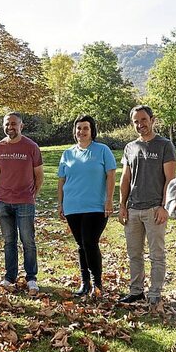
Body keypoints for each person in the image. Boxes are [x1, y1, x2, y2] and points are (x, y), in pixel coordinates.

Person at [117, 105, 176, 310]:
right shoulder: (130, 147)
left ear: (152, 119)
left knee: (156, 255)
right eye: (136, 121)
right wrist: (122, 205)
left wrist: (164, 206)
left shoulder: (165, 145)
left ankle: (155, 294)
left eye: (143, 120)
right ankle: (136, 291)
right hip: (133, 208)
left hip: (154, 209)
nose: (140, 124)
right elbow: (125, 178)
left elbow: (170, 179)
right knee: (134, 254)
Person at [57, 115, 116, 298]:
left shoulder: (102, 150)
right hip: (72, 206)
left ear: (92, 131)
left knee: (90, 243)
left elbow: (111, 175)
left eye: (85, 128)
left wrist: (109, 200)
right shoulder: (67, 154)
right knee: (81, 245)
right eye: (79, 128)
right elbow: (61, 181)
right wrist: (60, 204)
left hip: (96, 206)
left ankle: (97, 283)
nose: (81, 131)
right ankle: (85, 283)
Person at [0, 112, 45, 296]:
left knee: (28, 241)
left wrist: (32, 195)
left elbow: (39, 175)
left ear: (21, 126)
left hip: (25, 202)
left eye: (14, 124)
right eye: (7, 124)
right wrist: (5, 191)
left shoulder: (31, 147)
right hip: (3, 202)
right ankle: (9, 277)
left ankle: (31, 278)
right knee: (9, 241)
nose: (10, 127)